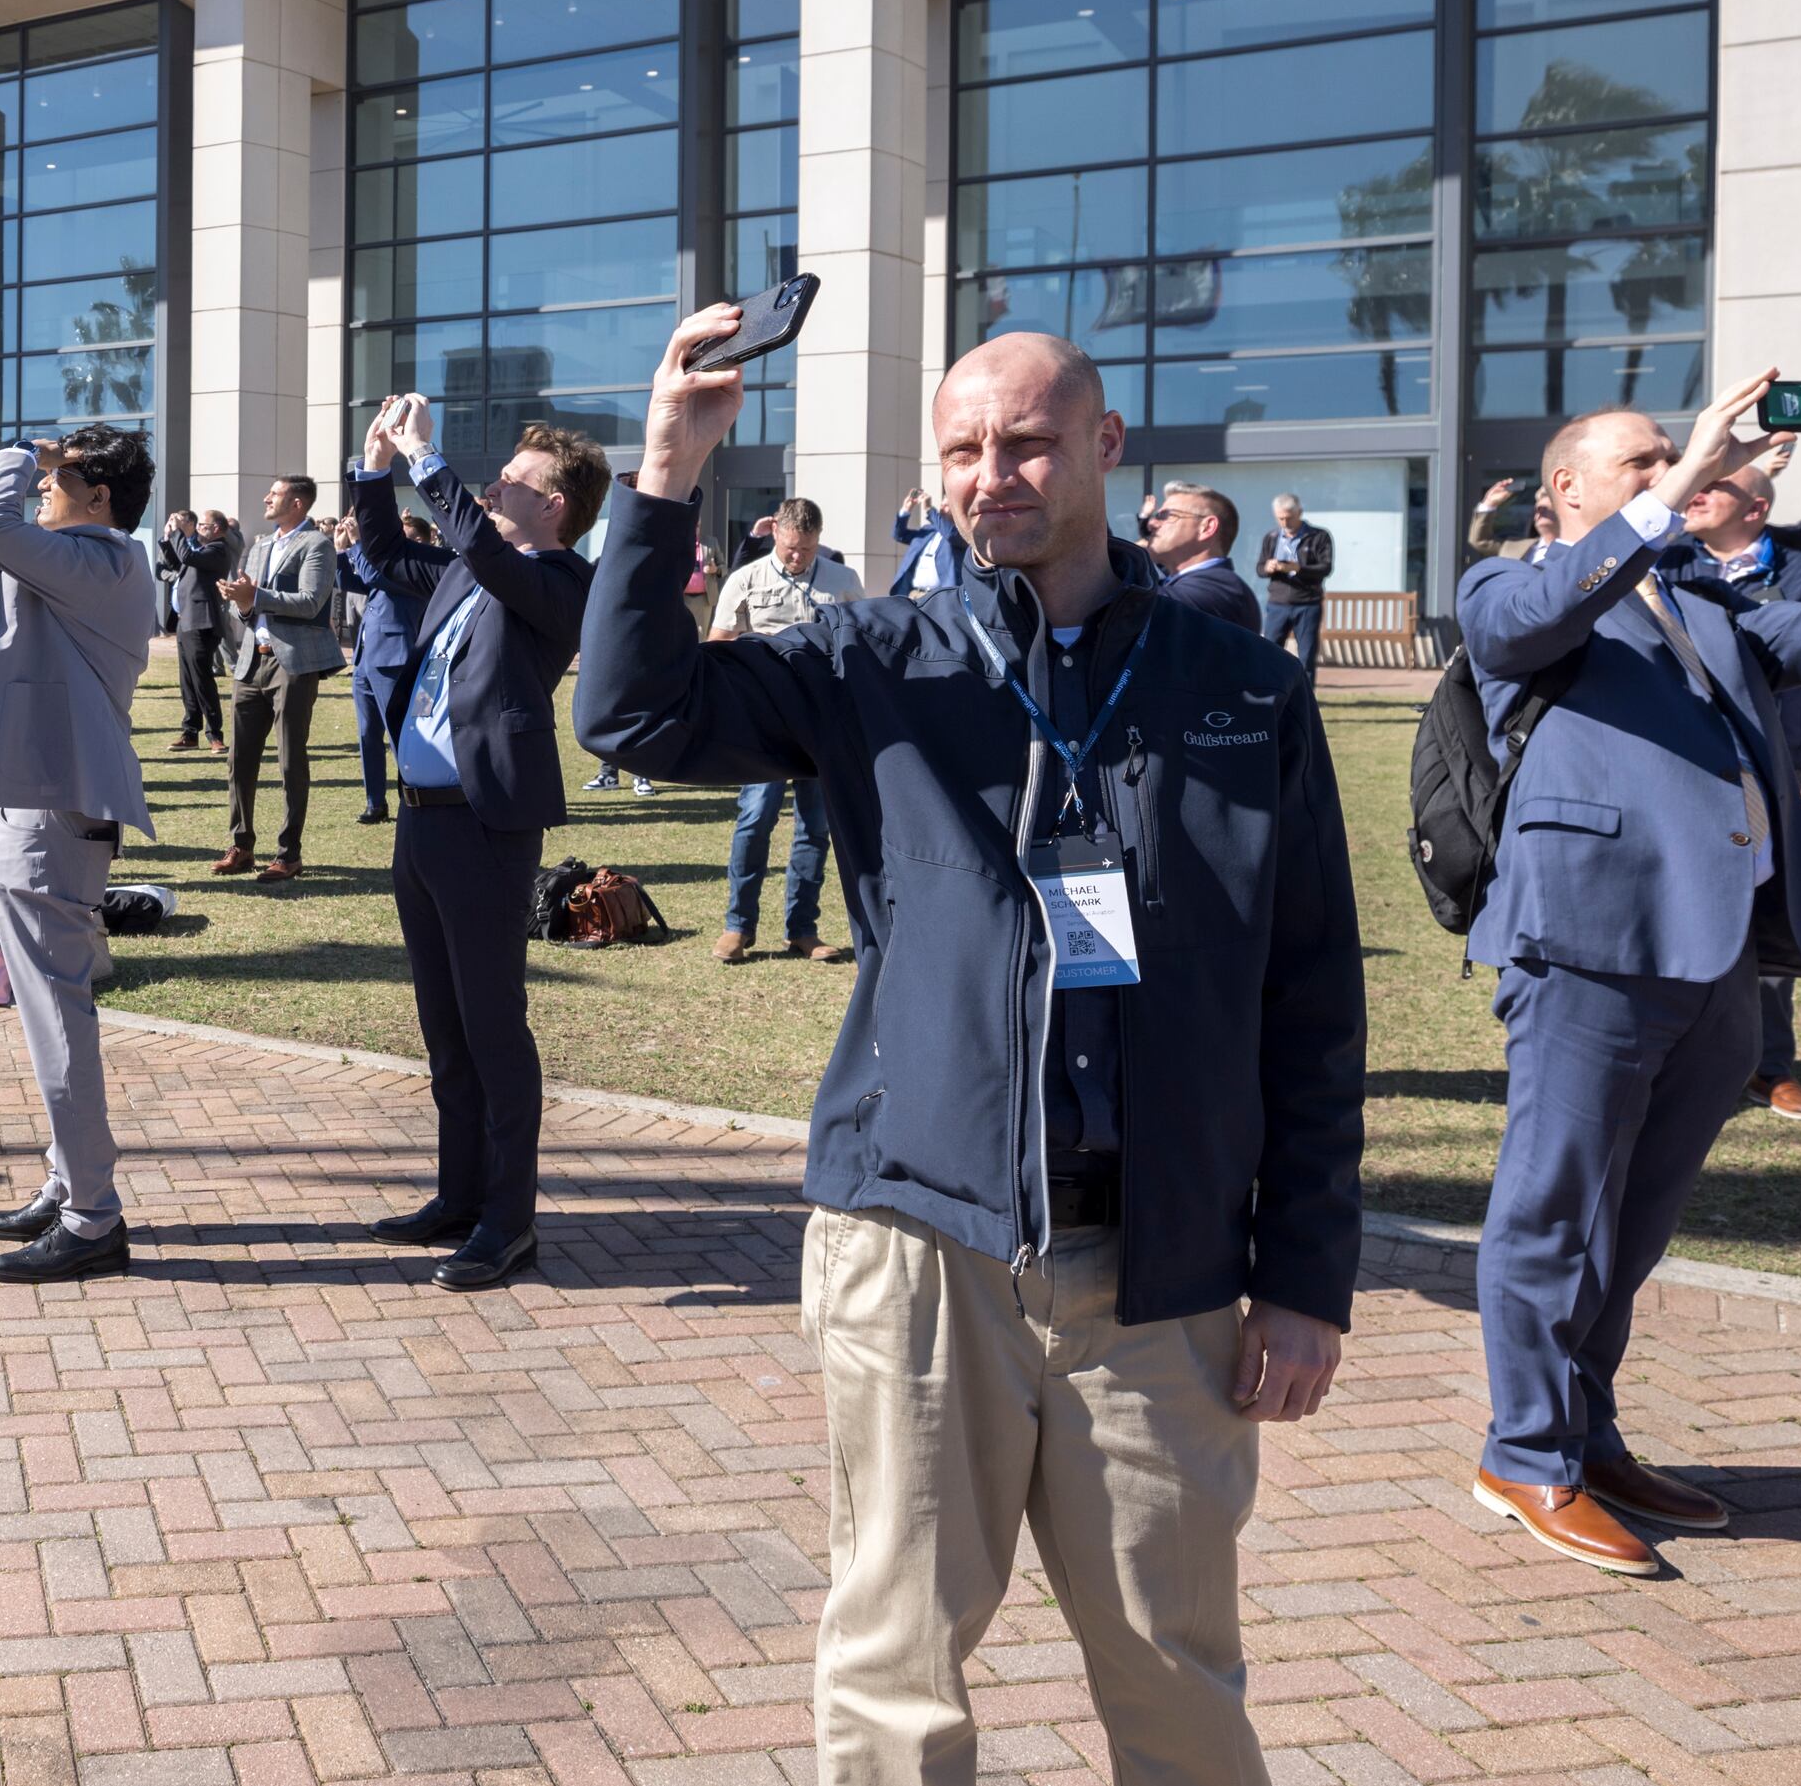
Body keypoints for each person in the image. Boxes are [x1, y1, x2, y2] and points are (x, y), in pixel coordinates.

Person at [579, 310, 1358, 1786]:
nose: (988, 472)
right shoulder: (878, 657)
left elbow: (1310, 1005)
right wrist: (668, 467)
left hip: (1165, 1272)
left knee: (1176, 1670)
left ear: (1109, 449)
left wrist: (1305, 1273)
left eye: (1025, 441)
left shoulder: (1242, 688)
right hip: (922, 1246)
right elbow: (633, 709)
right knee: (895, 1668)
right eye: (960, 449)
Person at [1458, 373, 1801, 1572]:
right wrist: (1684, 477)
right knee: (1555, 1204)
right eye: (1637, 460)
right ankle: (1523, 1453)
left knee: (1634, 1215)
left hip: (1716, 945)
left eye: (1667, 459)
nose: (1670, 472)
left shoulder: (1700, 595)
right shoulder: (1511, 582)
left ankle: (1586, 1427)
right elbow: (1526, 624)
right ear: (1564, 489)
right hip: (1588, 940)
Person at [347, 397, 601, 1289]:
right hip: (421, 821)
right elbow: (382, 556)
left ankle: (509, 1220)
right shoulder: (472, 565)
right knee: (444, 1027)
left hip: (486, 825)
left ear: (556, 505)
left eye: (514, 481)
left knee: (494, 1027)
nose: (495, 487)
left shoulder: (561, 579)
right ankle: (458, 1197)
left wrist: (430, 460)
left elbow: (487, 552)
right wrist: (377, 466)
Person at [0, 426, 160, 1284]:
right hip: (34, 798)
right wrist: (49, 463)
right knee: (50, 1013)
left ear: (101, 495)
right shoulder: (81, 555)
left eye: (61, 475)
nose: (44, 482)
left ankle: (91, 1215)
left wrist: (11, 452)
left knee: (56, 1017)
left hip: (51, 812)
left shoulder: (107, 560)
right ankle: (68, 1182)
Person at [1677, 462, 1801, 1130]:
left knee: (1764, 910)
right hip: (1684, 767)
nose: (1696, 491)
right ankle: (1686, 1059)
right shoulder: (1667, 558)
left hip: (1769, 769)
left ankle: (1769, 1065)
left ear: (1755, 506)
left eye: (1717, 485)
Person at [707, 499, 862, 966]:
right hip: (765, 725)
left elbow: (863, 643)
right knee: (755, 819)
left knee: (815, 828)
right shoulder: (746, 579)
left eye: (808, 550)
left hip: (822, 724)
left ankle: (803, 929)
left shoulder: (843, 581)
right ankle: (738, 926)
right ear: (775, 532)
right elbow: (718, 647)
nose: (799, 558)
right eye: (793, 549)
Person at [214, 475, 338, 879]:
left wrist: (256, 598)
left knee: (289, 759)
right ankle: (241, 846)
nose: (266, 498)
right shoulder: (259, 544)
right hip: (251, 662)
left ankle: (289, 853)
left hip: (293, 663)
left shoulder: (316, 543)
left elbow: (311, 602)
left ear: (298, 502)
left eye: (276, 493)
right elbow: (245, 611)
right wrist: (240, 602)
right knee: (239, 759)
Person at [340, 505, 449, 826]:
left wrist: (359, 543)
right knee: (367, 733)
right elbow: (356, 581)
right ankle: (375, 801)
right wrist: (342, 549)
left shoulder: (423, 564)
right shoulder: (390, 564)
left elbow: (376, 574)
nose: (403, 541)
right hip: (366, 656)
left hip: (395, 656)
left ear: (426, 539)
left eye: (410, 536)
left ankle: (413, 797)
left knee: (399, 735)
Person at [160, 508, 237, 753]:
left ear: (216, 528)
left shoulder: (219, 549)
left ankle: (215, 734)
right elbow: (176, 563)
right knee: (187, 680)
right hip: (186, 621)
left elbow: (188, 558)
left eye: (203, 525)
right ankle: (190, 732)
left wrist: (181, 533)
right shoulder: (199, 550)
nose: (199, 528)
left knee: (202, 679)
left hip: (203, 621)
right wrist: (168, 537)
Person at [1146, 483, 1260, 629]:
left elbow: (1133, 601)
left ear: (1207, 528)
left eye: (1166, 515)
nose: (1151, 523)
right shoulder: (1177, 582)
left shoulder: (1221, 590)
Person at [1257, 492, 1332, 670]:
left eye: (1288, 518)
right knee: (1269, 652)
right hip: (1277, 603)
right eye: (1280, 518)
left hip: (1307, 604)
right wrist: (1267, 568)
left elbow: (1325, 568)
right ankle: (1271, 695)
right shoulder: (1272, 537)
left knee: (1306, 656)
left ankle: (1305, 697)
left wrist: (1297, 569)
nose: (1284, 523)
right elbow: (1260, 568)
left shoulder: (1319, 536)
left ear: (1300, 513)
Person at [889, 486, 963, 597]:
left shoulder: (960, 533)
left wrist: (929, 509)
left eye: (947, 506)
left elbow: (950, 534)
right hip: (914, 594)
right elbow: (899, 535)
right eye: (941, 504)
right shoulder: (928, 530)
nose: (942, 507)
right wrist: (906, 509)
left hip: (940, 597)